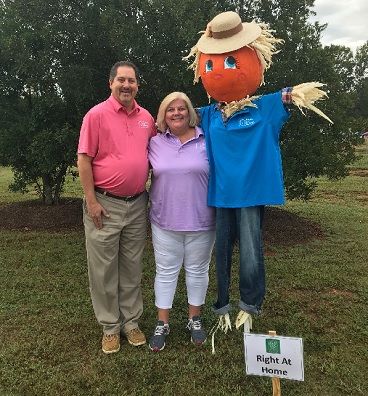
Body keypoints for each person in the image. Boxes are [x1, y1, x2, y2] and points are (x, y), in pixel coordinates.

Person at [184, 11, 332, 340]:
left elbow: (292, 94)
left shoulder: (263, 107)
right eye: (210, 65)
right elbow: (178, 115)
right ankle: (222, 306)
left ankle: (250, 305)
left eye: (229, 62)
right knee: (220, 252)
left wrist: (298, 93)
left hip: (251, 193)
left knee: (251, 251)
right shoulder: (209, 115)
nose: (219, 70)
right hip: (221, 194)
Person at [77, 60, 156, 354]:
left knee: (132, 267)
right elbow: (84, 159)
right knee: (104, 270)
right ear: (110, 83)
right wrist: (91, 201)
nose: (126, 85)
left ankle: (131, 323)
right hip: (104, 204)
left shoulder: (147, 118)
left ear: (137, 85)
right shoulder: (96, 115)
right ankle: (110, 326)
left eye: (131, 81)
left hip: (137, 204)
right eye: (121, 80)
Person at [148, 92, 216, 352]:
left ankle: (194, 319)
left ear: (190, 112)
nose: (176, 113)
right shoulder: (154, 142)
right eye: (170, 110)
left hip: (202, 219)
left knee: (198, 270)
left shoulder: (206, 140)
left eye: (181, 108)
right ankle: (162, 323)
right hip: (164, 220)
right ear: (163, 116)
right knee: (165, 271)